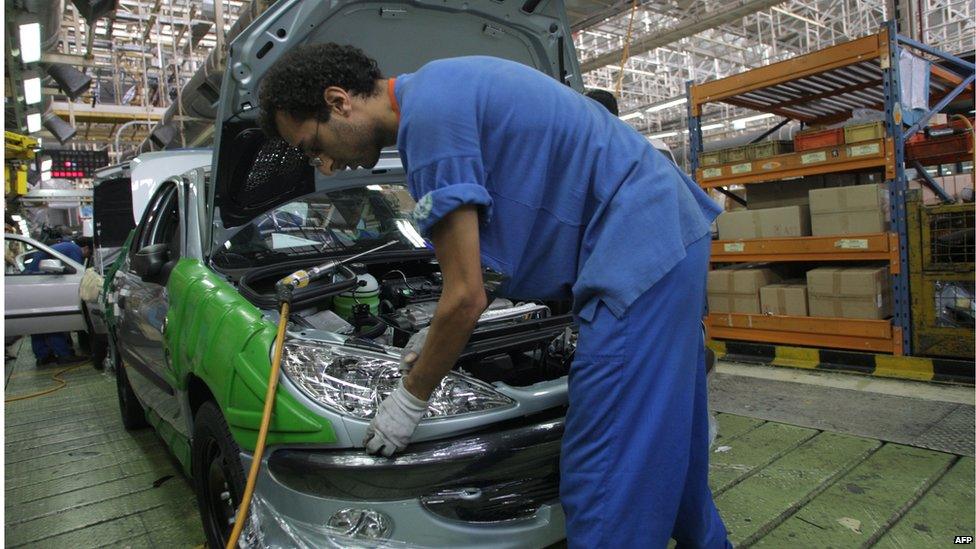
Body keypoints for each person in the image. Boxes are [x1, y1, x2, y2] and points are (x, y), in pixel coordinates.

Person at [258, 44, 730, 548]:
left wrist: (409, 398)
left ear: (338, 101)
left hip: (638, 251)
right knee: (669, 438)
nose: (324, 166)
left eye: (313, 146)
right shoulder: (440, 85)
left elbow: (465, 297)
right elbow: (509, 243)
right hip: (665, 232)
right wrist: (436, 330)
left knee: (605, 471)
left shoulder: (428, 127)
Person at [27, 236, 92, 366]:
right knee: (53, 320)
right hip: (39, 283)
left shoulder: (66, 246)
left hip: (31, 281)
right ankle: (64, 355)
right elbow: (78, 275)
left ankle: (43, 355)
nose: (86, 257)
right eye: (88, 254)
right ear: (85, 248)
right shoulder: (74, 249)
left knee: (37, 321)